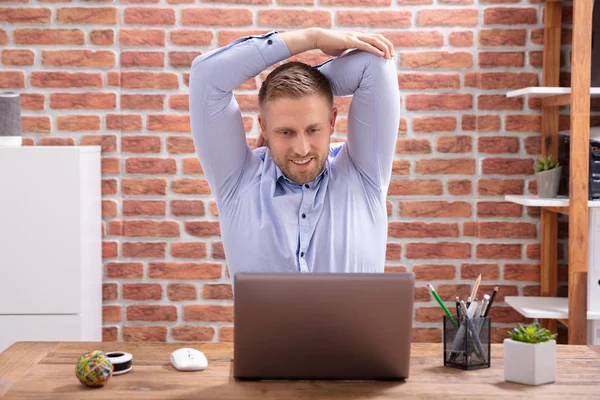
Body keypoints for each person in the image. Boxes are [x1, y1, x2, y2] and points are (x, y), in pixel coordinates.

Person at [189, 28, 400, 279]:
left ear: (331, 122)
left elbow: (375, 64)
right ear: (264, 128)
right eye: (286, 132)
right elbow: (206, 75)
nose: (301, 149)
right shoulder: (238, 183)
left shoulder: (363, 173)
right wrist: (312, 38)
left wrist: (304, 79)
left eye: (313, 129)